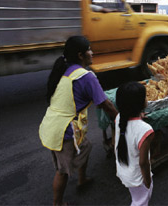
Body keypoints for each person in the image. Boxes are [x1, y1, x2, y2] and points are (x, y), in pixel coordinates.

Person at [39, 36, 118, 206]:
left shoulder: (64, 70)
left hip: (52, 125)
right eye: (89, 49)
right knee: (62, 171)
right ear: (81, 55)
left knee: (86, 146)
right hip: (63, 131)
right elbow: (106, 104)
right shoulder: (86, 76)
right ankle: (57, 203)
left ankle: (82, 179)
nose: (92, 53)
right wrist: (119, 118)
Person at [114, 82, 155, 206]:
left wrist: (139, 116)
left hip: (124, 171)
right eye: (145, 97)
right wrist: (147, 181)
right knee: (140, 202)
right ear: (141, 103)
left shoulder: (119, 117)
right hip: (139, 178)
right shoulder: (146, 130)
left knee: (136, 198)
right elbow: (143, 162)